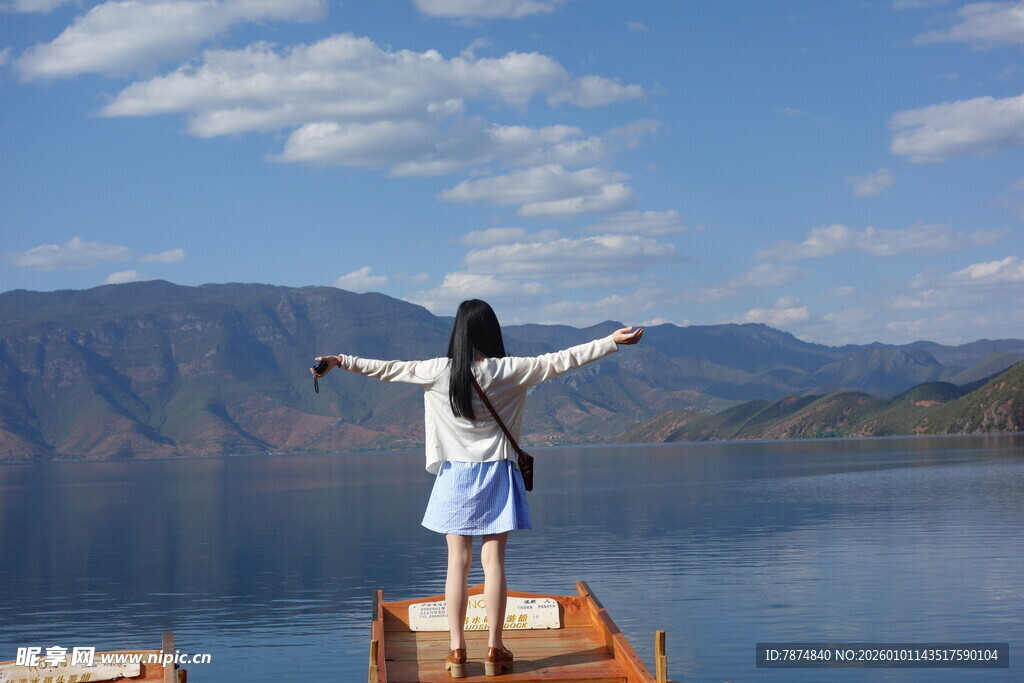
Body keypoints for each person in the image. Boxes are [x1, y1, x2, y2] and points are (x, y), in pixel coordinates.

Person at [312, 299, 643, 678]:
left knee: (457, 562)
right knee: (494, 562)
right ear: (491, 331)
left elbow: (386, 369)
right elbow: (564, 360)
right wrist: (611, 341)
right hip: (498, 473)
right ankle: (495, 648)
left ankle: (456, 650)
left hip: (454, 477)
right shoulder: (511, 370)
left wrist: (340, 360)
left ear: (458, 332)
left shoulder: (438, 371)